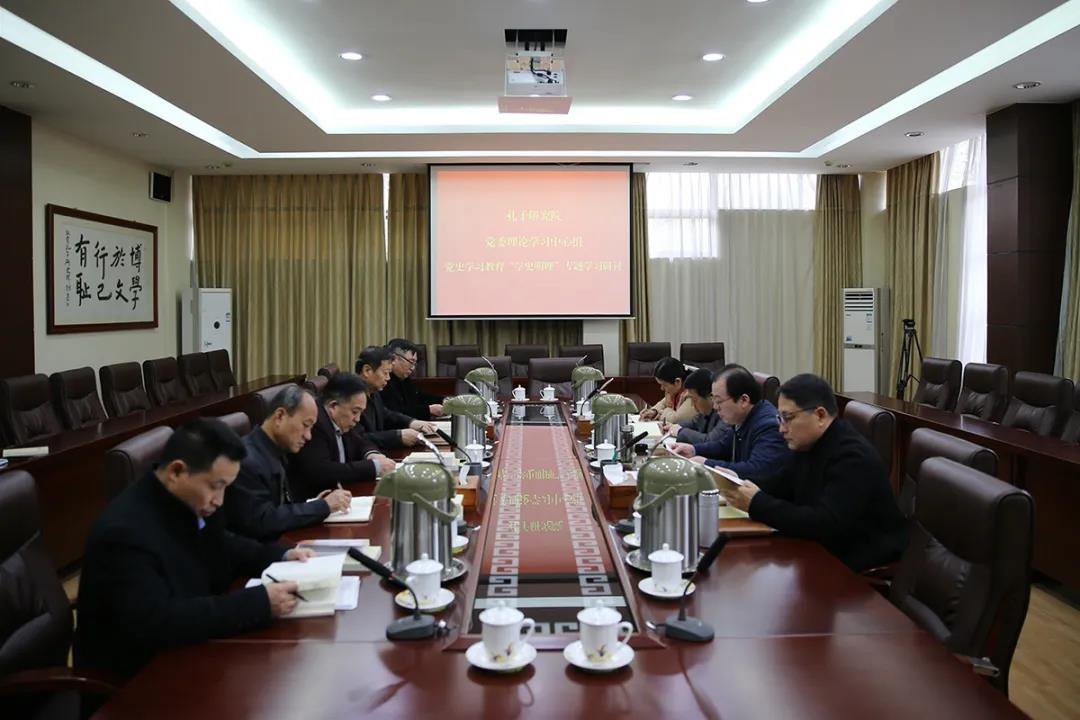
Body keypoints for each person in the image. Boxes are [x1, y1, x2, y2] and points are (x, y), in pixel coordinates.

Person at [75, 418, 314, 677]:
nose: (220, 500)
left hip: (187, 652)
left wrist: (281, 555)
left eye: (226, 487)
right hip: (138, 678)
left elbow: (222, 543)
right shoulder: (124, 533)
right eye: (215, 486)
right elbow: (158, 622)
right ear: (177, 471)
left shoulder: (186, 501)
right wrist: (258, 603)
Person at [717, 373, 909, 572]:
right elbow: (781, 483)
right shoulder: (808, 443)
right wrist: (737, 482)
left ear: (820, 415)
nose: (781, 429)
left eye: (788, 418)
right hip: (823, 548)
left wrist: (757, 503)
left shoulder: (853, 457)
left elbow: (825, 523)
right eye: (780, 418)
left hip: (857, 559)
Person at [225, 385, 352, 541]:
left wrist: (314, 504)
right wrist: (322, 506)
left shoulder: (276, 448)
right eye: (305, 425)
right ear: (280, 416)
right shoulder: (247, 461)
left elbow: (282, 506)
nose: (308, 436)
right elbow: (262, 520)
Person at [670, 364, 791, 480]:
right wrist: (693, 450)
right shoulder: (742, 417)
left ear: (743, 400)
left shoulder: (768, 425)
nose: (715, 407)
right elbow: (723, 446)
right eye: (713, 400)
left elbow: (756, 470)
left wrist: (707, 463)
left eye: (719, 401)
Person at [289, 372, 396, 500]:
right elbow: (323, 471)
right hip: (315, 500)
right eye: (355, 412)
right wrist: (374, 467)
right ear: (333, 406)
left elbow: (361, 440)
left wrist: (372, 454)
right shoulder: (314, 423)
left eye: (360, 413)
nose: (357, 419)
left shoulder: (342, 419)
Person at [355, 345, 437, 450]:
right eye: (385, 373)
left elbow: (386, 414)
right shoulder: (351, 397)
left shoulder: (373, 391)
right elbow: (357, 439)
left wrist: (411, 422)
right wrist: (397, 436)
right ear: (367, 371)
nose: (388, 378)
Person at [380, 338, 444, 420]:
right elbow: (395, 413)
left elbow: (418, 397)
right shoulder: (383, 381)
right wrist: (428, 410)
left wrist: (443, 401)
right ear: (394, 359)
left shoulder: (403, 378)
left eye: (415, 363)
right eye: (411, 362)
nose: (413, 368)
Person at [662, 367, 727, 444]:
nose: (692, 404)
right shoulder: (704, 412)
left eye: (694, 399)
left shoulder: (725, 414)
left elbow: (710, 441)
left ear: (710, 397)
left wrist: (680, 431)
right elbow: (694, 423)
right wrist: (673, 426)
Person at [638, 357, 697, 424]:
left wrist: (662, 413)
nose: (662, 388)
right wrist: (654, 411)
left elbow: (676, 420)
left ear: (677, 381)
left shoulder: (693, 393)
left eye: (664, 385)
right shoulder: (675, 389)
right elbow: (663, 403)